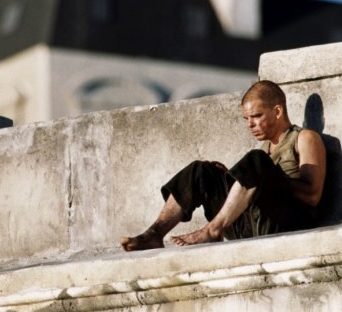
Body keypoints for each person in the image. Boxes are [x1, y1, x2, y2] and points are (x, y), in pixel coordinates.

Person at [120, 80, 326, 251]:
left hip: (286, 224)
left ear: (278, 111)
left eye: (256, 116)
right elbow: (257, 181)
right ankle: (154, 234)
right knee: (201, 171)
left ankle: (212, 230)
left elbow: (312, 195)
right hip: (251, 226)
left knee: (256, 161)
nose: (250, 124)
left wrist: (266, 177)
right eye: (247, 119)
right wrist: (235, 180)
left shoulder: (304, 138)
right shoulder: (265, 149)